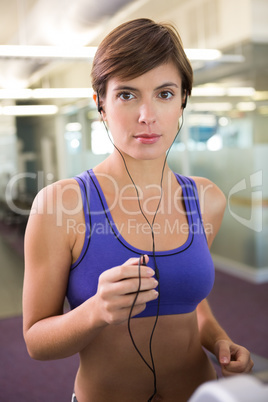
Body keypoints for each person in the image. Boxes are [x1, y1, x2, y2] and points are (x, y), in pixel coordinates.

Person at [23, 18, 253, 402]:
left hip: (201, 393)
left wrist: (219, 341)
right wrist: (95, 311)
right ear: (100, 103)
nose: (147, 115)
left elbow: (193, 305)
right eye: (127, 95)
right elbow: (36, 342)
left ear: (182, 100)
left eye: (164, 94)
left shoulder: (206, 199)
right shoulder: (60, 205)